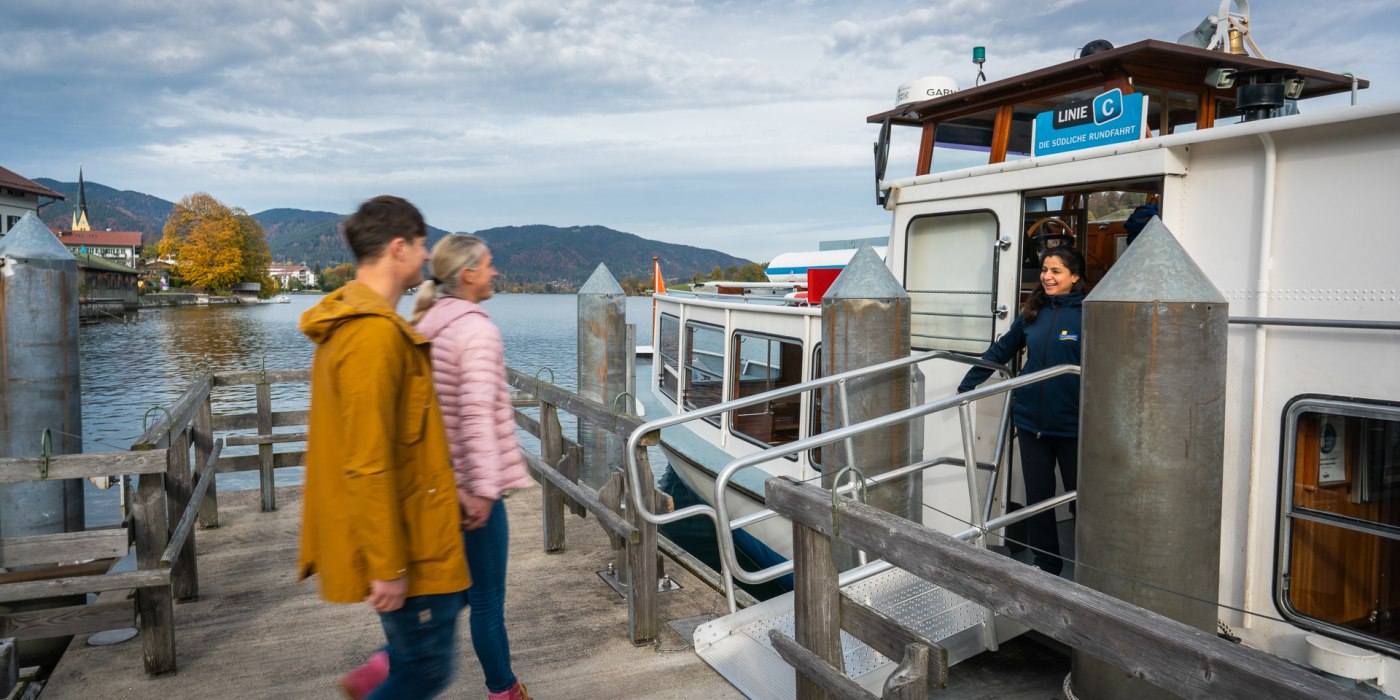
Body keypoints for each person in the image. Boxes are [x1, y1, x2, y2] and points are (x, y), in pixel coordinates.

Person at [298, 195, 471, 699]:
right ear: (398, 247)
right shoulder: (373, 339)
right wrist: (388, 567)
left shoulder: (366, 328)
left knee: (418, 655)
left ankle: (379, 673)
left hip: (420, 532)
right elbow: (367, 463)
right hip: (408, 550)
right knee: (424, 673)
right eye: (420, 246)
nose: (425, 258)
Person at [411, 234, 533, 700]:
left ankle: (390, 664)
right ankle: (504, 691)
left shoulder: (428, 321)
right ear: (467, 274)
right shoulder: (475, 330)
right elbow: (478, 413)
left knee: (453, 592)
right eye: (489, 265)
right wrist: (483, 488)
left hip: (439, 482)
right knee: (485, 602)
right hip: (472, 488)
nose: (495, 272)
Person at [957, 245, 1086, 575]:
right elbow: (1002, 350)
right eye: (1045, 270)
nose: (1047, 276)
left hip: (1073, 426)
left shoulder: (1088, 315)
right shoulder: (1033, 312)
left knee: (1080, 501)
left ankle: (1090, 571)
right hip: (1031, 423)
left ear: (1075, 276)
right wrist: (967, 385)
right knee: (1039, 499)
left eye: (1056, 271)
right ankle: (1047, 566)